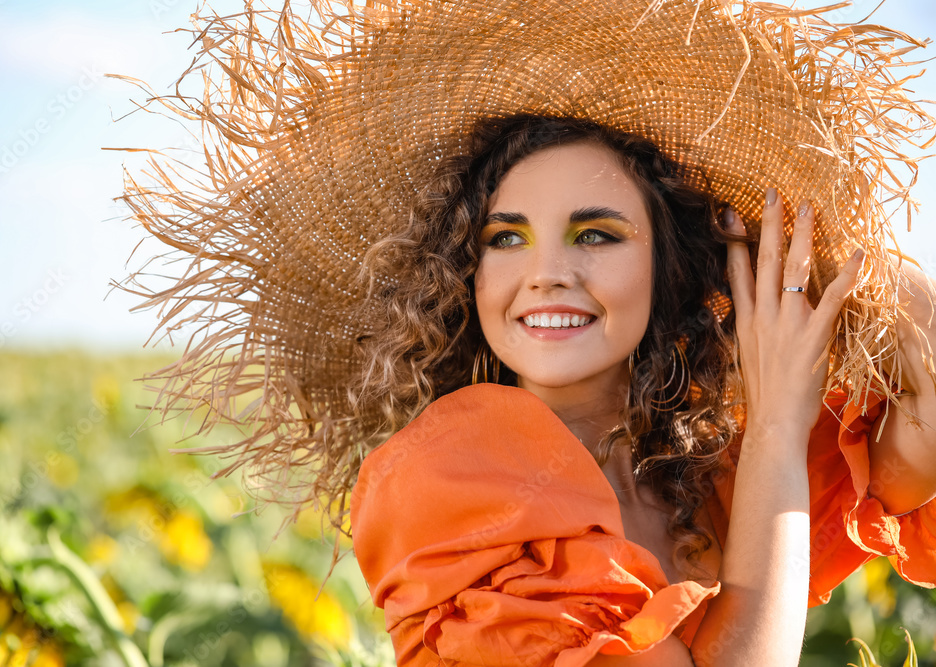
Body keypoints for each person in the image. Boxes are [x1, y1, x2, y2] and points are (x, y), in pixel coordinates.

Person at [118, 0, 936, 664]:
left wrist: (855, 271)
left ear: (674, 270)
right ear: (468, 276)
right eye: (505, 237)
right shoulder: (457, 479)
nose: (544, 271)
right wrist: (782, 429)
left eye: (596, 234)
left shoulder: (703, 472)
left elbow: (912, 438)